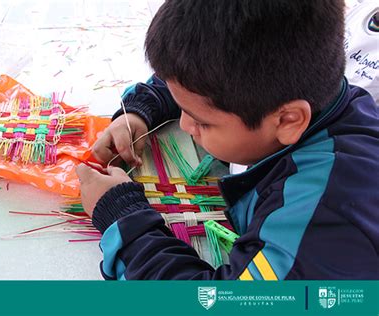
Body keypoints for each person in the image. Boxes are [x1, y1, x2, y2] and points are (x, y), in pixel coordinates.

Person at [76, 0, 379, 280]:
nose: (185, 125)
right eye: (184, 109)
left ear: (288, 121)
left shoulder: (323, 221)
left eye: (202, 122)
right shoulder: (306, 94)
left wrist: (122, 219)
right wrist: (142, 110)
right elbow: (208, 78)